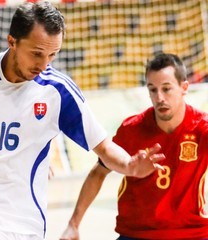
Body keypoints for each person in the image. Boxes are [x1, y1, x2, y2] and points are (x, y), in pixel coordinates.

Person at [0, 2, 164, 240]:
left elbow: (103, 147)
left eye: (52, 55)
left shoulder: (58, 91)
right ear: (12, 41)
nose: (44, 64)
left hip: (28, 225)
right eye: (37, 53)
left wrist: (130, 165)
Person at [60, 53, 208, 240]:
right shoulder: (132, 130)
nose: (159, 97)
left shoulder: (202, 129)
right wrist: (73, 225)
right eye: (152, 90)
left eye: (166, 89)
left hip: (191, 232)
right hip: (137, 233)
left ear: (184, 87)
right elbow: (98, 173)